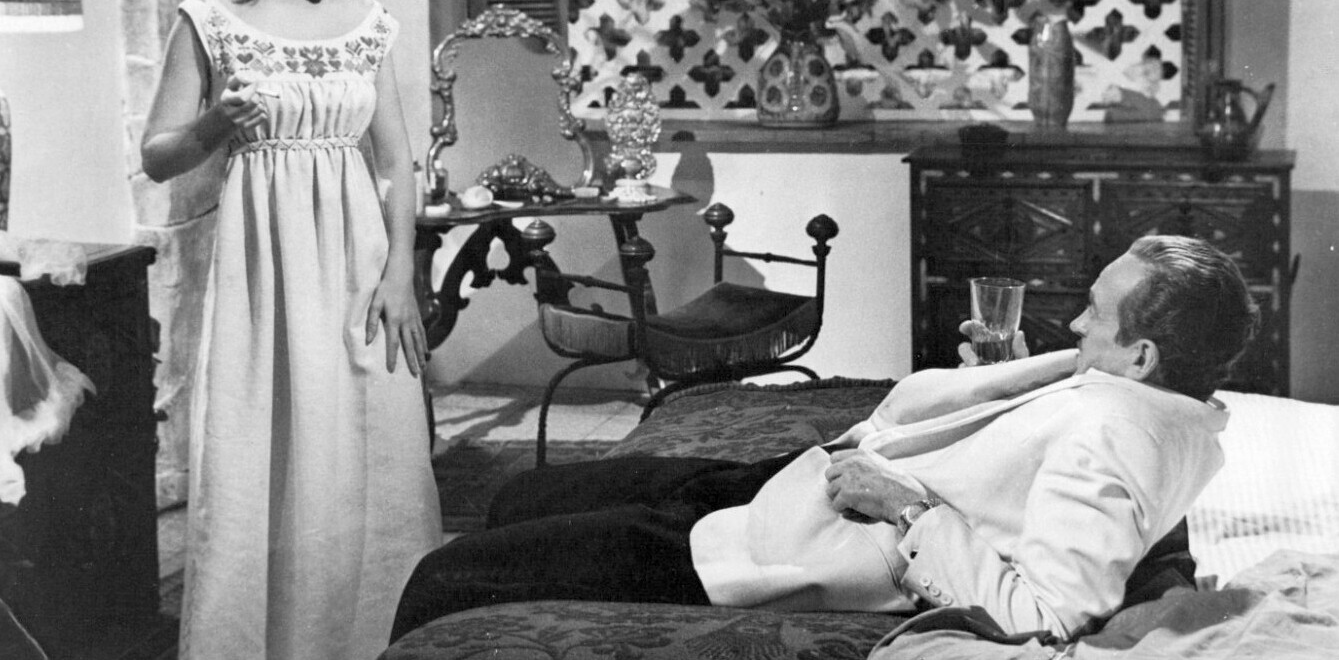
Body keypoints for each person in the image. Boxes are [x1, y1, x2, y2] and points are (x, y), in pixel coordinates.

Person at [390, 235, 1257, 645]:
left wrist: (906, 508)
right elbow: (1009, 446)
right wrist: (1019, 380)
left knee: (450, 573)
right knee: (520, 495)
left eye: (1095, 315)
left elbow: (1049, 613)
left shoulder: (1118, 437)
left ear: (1142, 355)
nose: (1075, 324)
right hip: (800, 480)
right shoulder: (1142, 395)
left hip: (791, 541)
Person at [141, 0, 441, 660]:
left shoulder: (367, 24)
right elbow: (157, 156)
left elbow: (396, 161)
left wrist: (400, 275)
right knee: (269, 454)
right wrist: (213, 124)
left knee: (375, 454)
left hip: (361, 271)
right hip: (264, 279)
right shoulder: (211, 20)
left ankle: (377, 640)